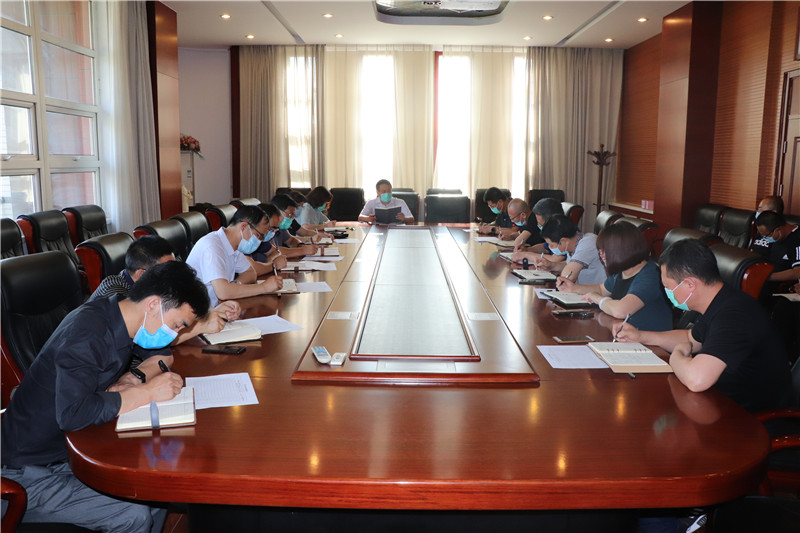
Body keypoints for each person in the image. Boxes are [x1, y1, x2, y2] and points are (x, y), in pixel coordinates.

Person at [1, 261, 210, 532]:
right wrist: (145, 392)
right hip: (25, 471)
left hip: (69, 448)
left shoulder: (122, 315)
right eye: (177, 325)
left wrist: (131, 378)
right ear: (153, 304)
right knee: (133, 514)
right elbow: (73, 414)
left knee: (156, 486)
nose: (175, 334)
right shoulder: (87, 333)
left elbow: (163, 356)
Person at [614, 239, 792, 413]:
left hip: (750, 419)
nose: (667, 292)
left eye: (667, 287)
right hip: (718, 402)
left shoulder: (735, 315)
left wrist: (676, 356)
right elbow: (690, 338)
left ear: (690, 284)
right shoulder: (721, 300)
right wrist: (640, 336)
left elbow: (696, 380)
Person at [88, 235, 240, 344]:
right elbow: (148, 343)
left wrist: (210, 311)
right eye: (166, 270)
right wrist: (201, 326)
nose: (173, 275)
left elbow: (176, 311)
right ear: (141, 274)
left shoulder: (153, 289)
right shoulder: (115, 295)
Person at [556, 222, 672, 331]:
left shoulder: (650, 275)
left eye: (604, 251)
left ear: (621, 250)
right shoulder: (623, 270)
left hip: (648, 341)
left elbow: (621, 311)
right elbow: (602, 289)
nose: (601, 255)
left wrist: (597, 298)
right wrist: (573, 288)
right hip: (625, 333)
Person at [186, 205, 282, 306]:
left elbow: (250, 273)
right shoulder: (212, 246)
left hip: (219, 308)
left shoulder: (233, 246)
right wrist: (264, 287)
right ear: (244, 227)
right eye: (259, 236)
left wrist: (235, 285)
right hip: (201, 312)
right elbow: (223, 293)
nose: (259, 241)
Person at [89, 235, 175, 301]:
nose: (173, 276)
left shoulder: (137, 282)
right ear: (142, 274)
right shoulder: (116, 298)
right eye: (166, 272)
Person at [535, 214, 606, 285]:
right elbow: (569, 264)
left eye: (551, 245)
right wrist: (551, 266)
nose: (550, 247)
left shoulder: (588, 243)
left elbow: (568, 276)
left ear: (563, 241)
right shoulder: (573, 244)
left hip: (598, 291)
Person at [754, 211, 800, 284]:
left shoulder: (797, 239)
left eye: (767, 236)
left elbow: (797, 272)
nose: (765, 239)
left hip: (781, 283)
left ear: (778, 230)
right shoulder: (777, 238)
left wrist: (766, 277)